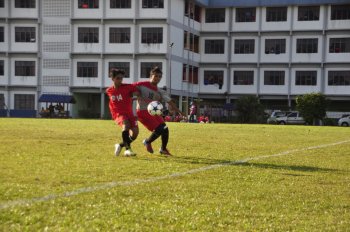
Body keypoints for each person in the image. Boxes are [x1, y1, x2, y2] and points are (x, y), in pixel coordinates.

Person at [134, 66, 183, 156]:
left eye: (159, 76)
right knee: (160, 129)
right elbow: (129, 90)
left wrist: (179, 111)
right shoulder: (141, 85)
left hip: (154, 113)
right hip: (142, 111)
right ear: (151, 75)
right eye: (155, 76)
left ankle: (163, 149)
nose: (157, 78)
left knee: (165, 129)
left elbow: (170, 102)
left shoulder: (160, 91)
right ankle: (147, 142)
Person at [106, 69, 139, 157]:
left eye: (121, 78)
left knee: (135, 134)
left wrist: (134, 94)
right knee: (126, 125)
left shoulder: (128, 87)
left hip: (129, 113)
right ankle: (128, 150)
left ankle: (120, 145)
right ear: (112, 78)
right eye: (117, 78)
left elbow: (136, 91)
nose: (120, 80)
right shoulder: (109, 90)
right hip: (118, 114)